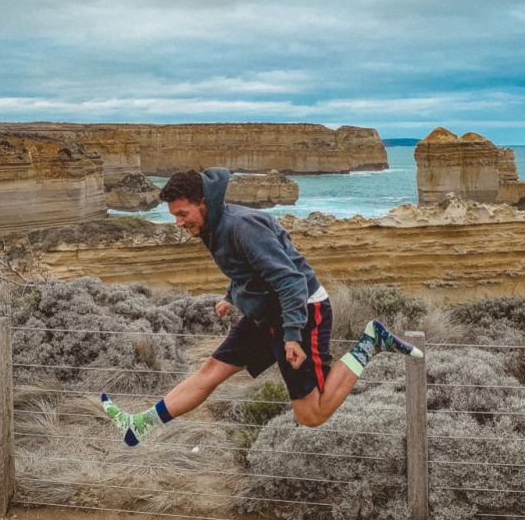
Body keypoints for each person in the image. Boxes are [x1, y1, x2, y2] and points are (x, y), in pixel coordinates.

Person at [101, 167, 422, 446]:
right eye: (174, 216)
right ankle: (138, 426)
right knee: (210, 372)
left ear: (203, 203)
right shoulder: (213, 227)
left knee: (312, 414)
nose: (178, 223)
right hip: (267, 314)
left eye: (182, 214)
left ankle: (370, 342)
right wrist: (232, 294)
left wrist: (293, 335)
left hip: (303, 312)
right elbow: (247, 268)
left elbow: (291, 280)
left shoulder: (242, 227)